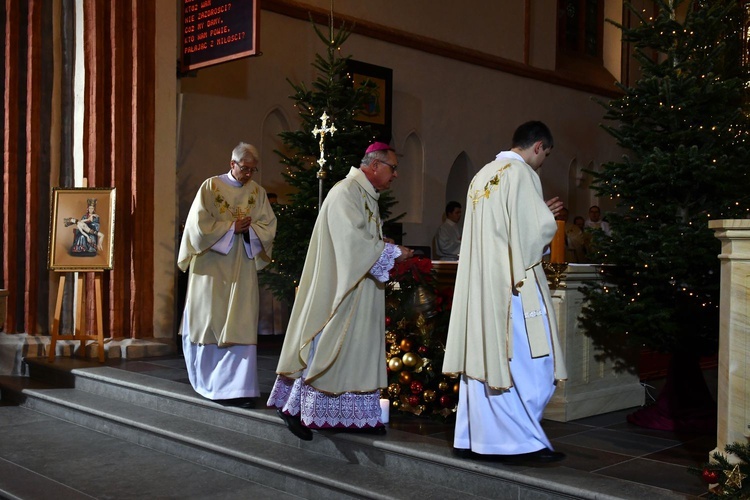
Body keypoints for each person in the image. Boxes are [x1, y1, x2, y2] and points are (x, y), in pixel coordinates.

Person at [267, 141, 414, 440]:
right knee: (326, 346)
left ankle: (341, 415)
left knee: (351, 351)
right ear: (374, 165)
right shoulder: (345, 192)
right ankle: (294, 409)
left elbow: (361, 239)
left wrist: (381, 246)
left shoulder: (365, 195)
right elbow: (351, 245)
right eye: (393, 168)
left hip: (358, 287)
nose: (395, 175)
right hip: (339, 289)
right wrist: (393, 252)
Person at [443, 121, 568, 463]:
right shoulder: (522, 173)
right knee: (534, 366)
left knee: (485, 360)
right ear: (539, 146)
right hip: (514, 287)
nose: (543, 162)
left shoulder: (482, 174)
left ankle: (473, 437)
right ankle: (518, 442)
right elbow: (529, 239)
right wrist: (546, 216)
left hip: (482, 286)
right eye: (546, 155)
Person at [178, 142, 277, 408]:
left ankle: (240, 388)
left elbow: (268, 225)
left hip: (241, 266)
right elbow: (197, 227)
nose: (248, 175)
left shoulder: (257, 192)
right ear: (231, 164)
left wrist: (249, 231)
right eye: (244, 169)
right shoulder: (210, 188)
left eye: (252, 170)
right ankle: (211, 383)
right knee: (211, 321)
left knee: (240, 323)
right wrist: (230, 227)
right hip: (211, 268)